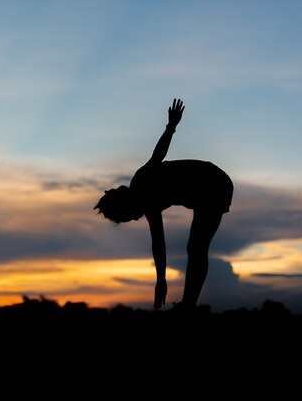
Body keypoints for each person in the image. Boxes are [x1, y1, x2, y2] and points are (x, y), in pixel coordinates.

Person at [94, 99, 233, 310]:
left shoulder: (141, 182)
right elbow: (158, 244)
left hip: (213, 182)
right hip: (209, 187)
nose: (135, 219)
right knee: (196, 247)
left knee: (196, 247)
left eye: (129, 218)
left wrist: (171, 126)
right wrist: (161, 280)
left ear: (125, 206)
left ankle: (188, 306)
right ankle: (188, 305)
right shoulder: (146, 201)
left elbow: (158, 154)